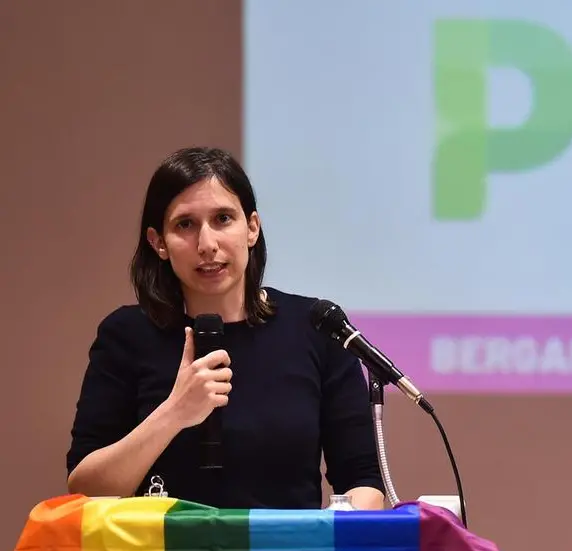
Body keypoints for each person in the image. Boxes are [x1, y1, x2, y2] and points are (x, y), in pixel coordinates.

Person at [65, 146, 386, 510]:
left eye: (222, 219)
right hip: (162, 548)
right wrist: (175, 413)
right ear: (158, 243)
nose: (207, 245)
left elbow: (363, 482)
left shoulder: (316, 327)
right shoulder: (127, 335)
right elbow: (85, 488)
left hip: (288, 547)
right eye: (185, 225)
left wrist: (322, 534)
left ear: (252, 228)